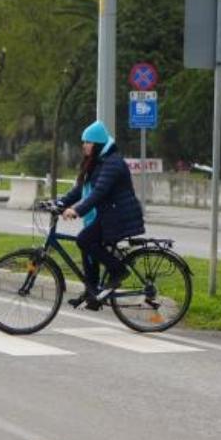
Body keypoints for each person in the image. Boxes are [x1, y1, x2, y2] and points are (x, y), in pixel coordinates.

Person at [58, 120, 145, 308]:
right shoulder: (98, 162)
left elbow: (99, 192)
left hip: (119, 217)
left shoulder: (113, 163)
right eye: (83, 142)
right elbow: (81, 189)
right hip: (108, 214)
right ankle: (92, 293)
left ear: (97, 144)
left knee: (84, 240)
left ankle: (119, 270)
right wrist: (60, 202)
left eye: (87, 142)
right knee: (87, 245)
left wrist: (77, 210)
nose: (84, 145)